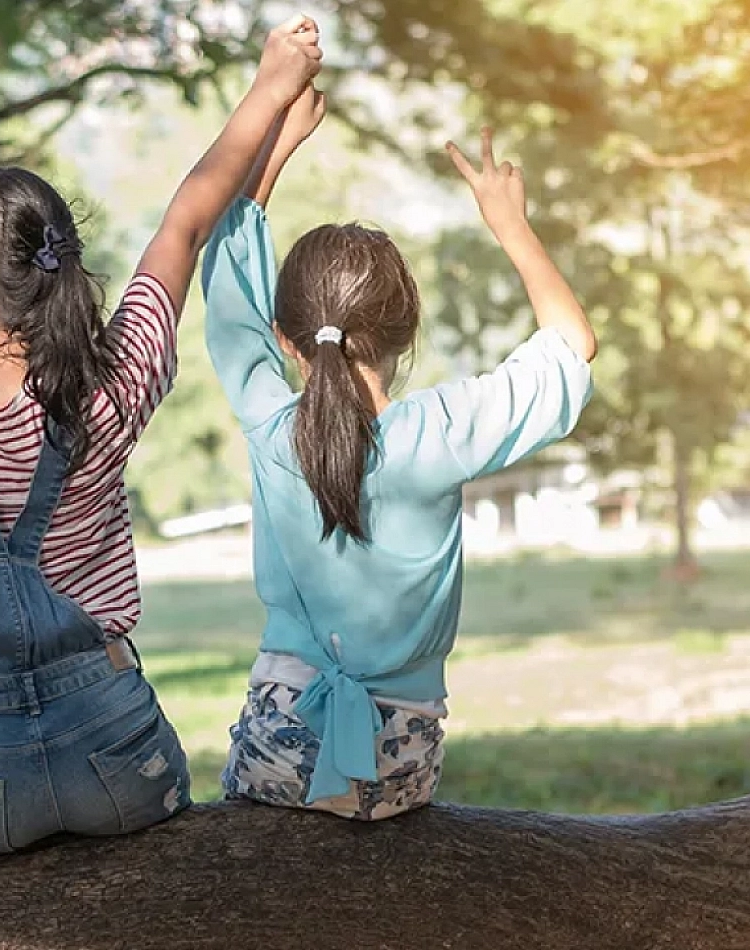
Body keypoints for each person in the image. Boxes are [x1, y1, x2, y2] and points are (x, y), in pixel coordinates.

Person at [0, 10, 325, 852]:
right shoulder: (113, 381)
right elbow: (185, 221)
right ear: (61, 267)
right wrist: (270, 87)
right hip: (113, 756)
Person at [203, 99, 599, 820]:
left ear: (287, 341)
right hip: (402, 764)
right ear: (403, 334)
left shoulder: (270, 426)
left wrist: (272, 153)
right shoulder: (441, 431)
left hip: (280, 747)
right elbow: (572, 346)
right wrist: (510, 224)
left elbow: (229, 302)